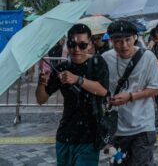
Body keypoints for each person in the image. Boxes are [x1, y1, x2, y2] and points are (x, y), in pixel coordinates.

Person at [35, 24, 109, 166]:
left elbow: (103, 91)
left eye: (82, 45)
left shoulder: (97, 62)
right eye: (72, 44)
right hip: (65, 135)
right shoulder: (62, 68)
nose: (76, 49)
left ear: (90, 45)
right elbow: (41, 99)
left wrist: (77, 79)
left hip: (89, 136)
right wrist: (42, 83)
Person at [102, 20, 158, 165]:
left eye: (127, 40)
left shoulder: (148, 57)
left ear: (135, 37)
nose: (124, 46)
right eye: (118, 41)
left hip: (143, 126)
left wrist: (130, 96)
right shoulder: (105, 59)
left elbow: (157, 89)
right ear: (111, 41)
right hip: (117, 128)